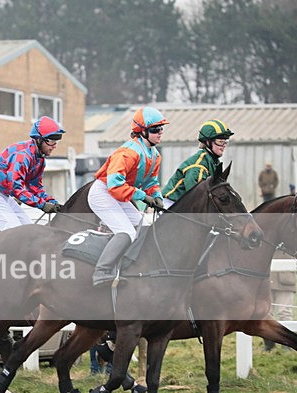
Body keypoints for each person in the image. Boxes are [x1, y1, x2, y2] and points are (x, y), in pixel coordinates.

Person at [89, 106, 167, 286]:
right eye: (156, 129)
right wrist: (141, 196)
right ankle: (101, 272)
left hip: (118, 195)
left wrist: (157, 197)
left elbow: (151, 182)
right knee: (127, 232)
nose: (160, 133)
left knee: (143, 224)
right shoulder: (128, 153)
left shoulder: (154, 154)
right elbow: (114, 185)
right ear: (143, 131)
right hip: (103, 193)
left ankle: (128, 264)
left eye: (161, 129)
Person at [0, 116, 65, 230]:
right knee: (16, 232)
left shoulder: (39, 159)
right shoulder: (23, 156)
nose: (54, 146)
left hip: (4, 194)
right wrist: (42, 205)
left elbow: (35, 187)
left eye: (56, 141)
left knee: (28, 229)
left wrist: (52, 203)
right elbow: (15, 187)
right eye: (51, 141)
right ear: (38, 139)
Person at [161, 119, 234, 208]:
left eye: (225, 142)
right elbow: (196, 197)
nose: (223, 146)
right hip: (170, 205)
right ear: (207, 142)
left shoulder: (214, 161)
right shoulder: (198, 167)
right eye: (220, 142)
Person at [264, 250, 297, 351]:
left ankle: (287, 344)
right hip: (266, 279)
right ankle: (269, 344)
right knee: (266, 313)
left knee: (285, 312)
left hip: (285, 279)